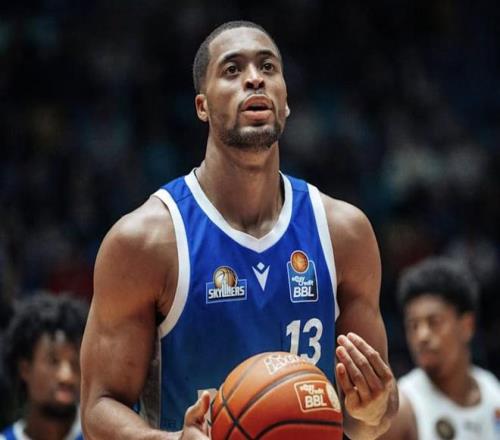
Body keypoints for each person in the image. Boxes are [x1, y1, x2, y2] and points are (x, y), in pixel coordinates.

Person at [80, 20, 398, 439]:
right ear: (202, 106)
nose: (254, 79)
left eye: (268, 67)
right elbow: (98, 407)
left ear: (286, 101)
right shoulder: (145, 242)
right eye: (232, 70)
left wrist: (374, 408)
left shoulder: (344, 233)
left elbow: (368, 421)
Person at [379, 257, 500, 439]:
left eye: (434, 322)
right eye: (413, 325)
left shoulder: (493, 392)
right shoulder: (403, 409)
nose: (422, 336)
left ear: (467, 326)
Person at [0, 293, 88, 440]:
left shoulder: (100, 432)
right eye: (54, 362)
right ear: (25, 369)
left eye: (74, 363)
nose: (66, 376)